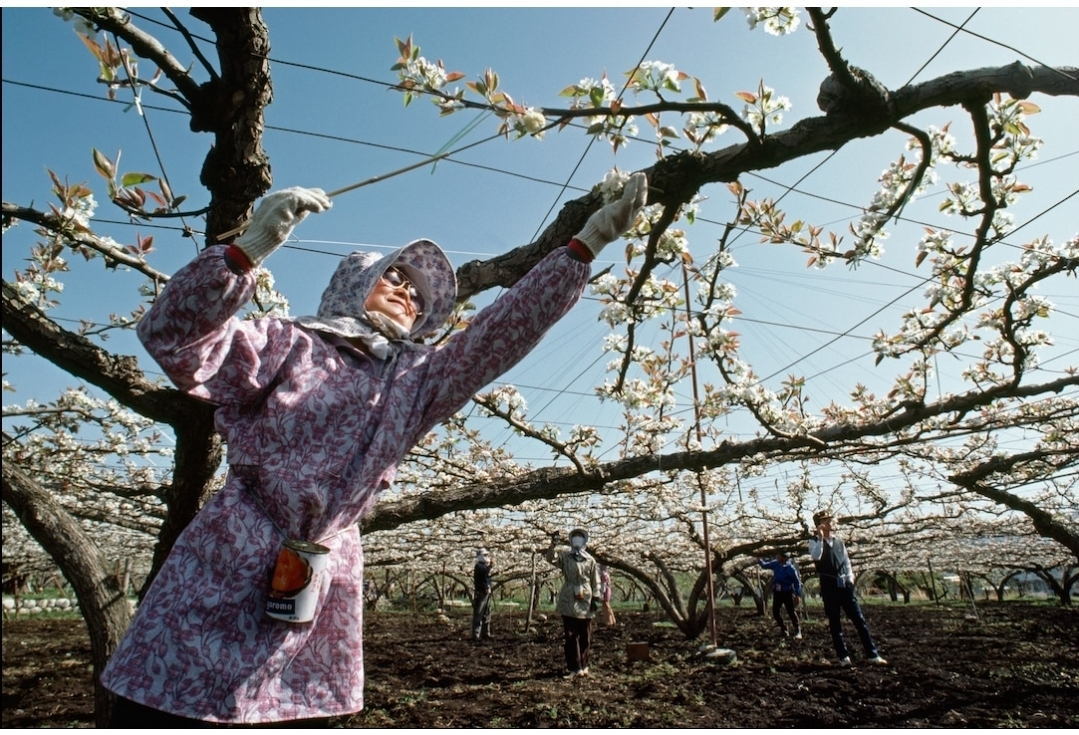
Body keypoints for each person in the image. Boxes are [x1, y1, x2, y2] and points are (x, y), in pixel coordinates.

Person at [99, 173, 648, 725]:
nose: (409, 292)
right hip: (233, 548)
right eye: (395, 275)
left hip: (324, 565)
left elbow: (498, 334)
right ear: (354, 277)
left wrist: (583, 248)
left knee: (288, 710)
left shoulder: (417, 378)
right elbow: (174, 339)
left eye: (419, 293)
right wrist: (245, 253)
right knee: (170, 705)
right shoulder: (287, 342)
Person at [808, 511, 888, 667]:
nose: (831, 522)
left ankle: (872, 654)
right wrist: (819, 537)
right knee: (835, 622)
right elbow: (816, 556)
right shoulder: (814, 542)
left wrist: (850, 578)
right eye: (827, 520)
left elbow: (846, 561)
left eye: (831, 519)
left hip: (844, 585)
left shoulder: (839, 542)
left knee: (859, 619)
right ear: (820, 524)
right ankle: (843, 656)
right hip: (829, 586)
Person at [545, 528, 601, 679]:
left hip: (586, 597)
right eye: (574, 537)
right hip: (569, 597)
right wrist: (553, 545)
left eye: (580, 538)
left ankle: (584, 664)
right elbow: (551, 559)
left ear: (585, 540)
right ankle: (574, 667)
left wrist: (596, 597)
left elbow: (596, 579)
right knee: (571, 635)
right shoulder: (565, 557)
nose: (577, 540)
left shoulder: (590, 560)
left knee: (585, 635)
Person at [759, 551, 803, 639]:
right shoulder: (775, 564)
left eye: (779, 555)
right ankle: (783, 628)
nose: (777, 556)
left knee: (790, 611)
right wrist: (759, 560)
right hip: (777, 592)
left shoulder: (790, 568)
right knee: (775, 612)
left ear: (784, 558)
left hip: (787, 592)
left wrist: (798, 594)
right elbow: (765, 565)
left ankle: (797, 629)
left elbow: (797, 582)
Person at [471, 548, 494, 642]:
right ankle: (476, 635)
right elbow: (485, 573)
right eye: (485, 555)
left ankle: (486, 633)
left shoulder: (484, 566)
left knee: (486, 613)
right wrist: (491, 566)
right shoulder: (479, 566)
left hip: (486, 592)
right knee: (479, 614)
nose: (487, 557)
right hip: (481, 593)